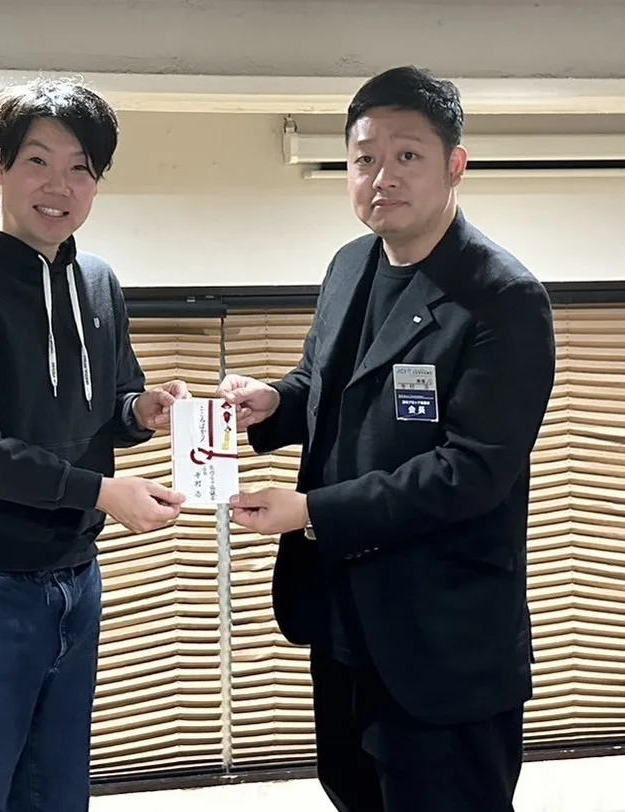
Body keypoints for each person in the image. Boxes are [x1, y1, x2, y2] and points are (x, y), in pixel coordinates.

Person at [220, 66, 556, 812]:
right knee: (354, 791)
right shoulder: (350, 265)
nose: (383, 177)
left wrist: (311, 511)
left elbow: (471, 471)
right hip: (344, 620)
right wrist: (273, 402)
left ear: (455, 165)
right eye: (365, 158)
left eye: (408, 155)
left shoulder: (502, 298)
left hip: (442, 639)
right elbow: (324, 384)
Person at [0, 78, 189, 812]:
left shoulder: (97, 280)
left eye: (81, 168)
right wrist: (101, 493)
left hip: (74, 578)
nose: (60, 187)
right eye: (38, 161)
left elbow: (112, 400)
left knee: (56, 796)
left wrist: (142, 411)